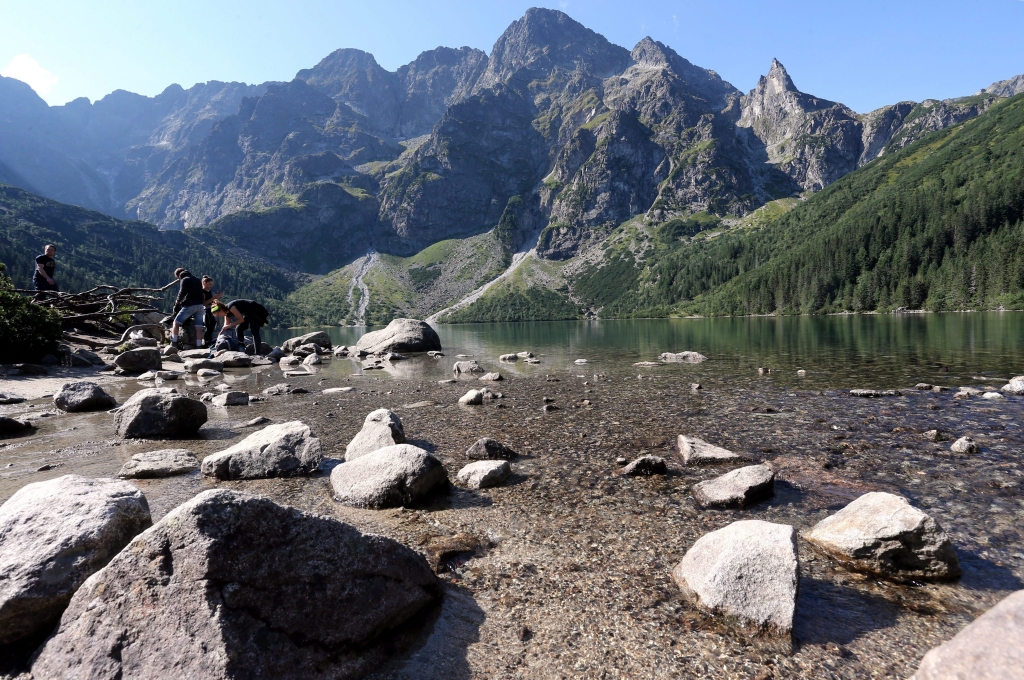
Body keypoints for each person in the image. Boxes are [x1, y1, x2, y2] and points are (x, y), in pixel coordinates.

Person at [170, 268, 206, 347]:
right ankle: (199, 345)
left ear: (178, 275)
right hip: (200, 305)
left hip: (191, 305)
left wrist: (178, 301)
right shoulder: (197, 279)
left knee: (176, 323)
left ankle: (174, 342)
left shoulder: (185, 280)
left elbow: (182, 292)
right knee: (199, 327)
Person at [201, 275, 222, 346]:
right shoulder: (203, 292)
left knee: (212, 326)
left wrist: (216, 298)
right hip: (207, 311)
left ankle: (209, 341)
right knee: (209, 327)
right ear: (204, 283)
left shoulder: (208, 291)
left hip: (212, 309)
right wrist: (213, 298)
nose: (210, 286)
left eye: (211, 285)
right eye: (209, 284)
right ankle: (207, 342)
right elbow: (204, 303)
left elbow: (210, 301)